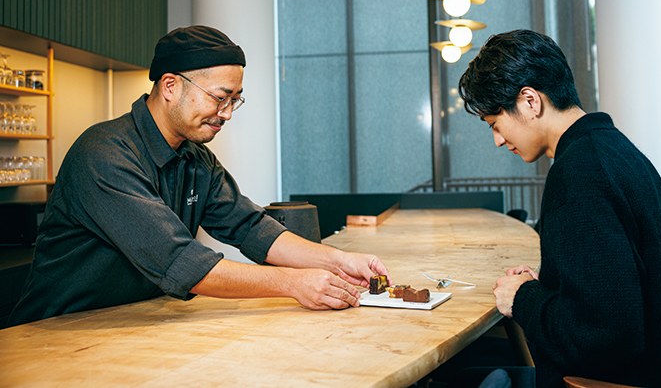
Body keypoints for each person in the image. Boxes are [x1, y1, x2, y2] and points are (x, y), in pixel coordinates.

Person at [7, 25, 389, 328]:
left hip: (133, 325)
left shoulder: (196, 159)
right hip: (53, 334)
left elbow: (251, 227)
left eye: (234, 99)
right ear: (171, 86)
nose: (226, 113)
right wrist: (292, 283)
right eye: (218, 97)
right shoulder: (104, 155)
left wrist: (338, 261)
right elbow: (181, 262)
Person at [455, 29, 661, 388]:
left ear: (530, 101)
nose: (498, 140)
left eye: (495, 124)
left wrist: (522, 298)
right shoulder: (612, 150)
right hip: (655, 369)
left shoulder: (579, 175)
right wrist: (547, 286)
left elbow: (605, 336)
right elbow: (613, 288)